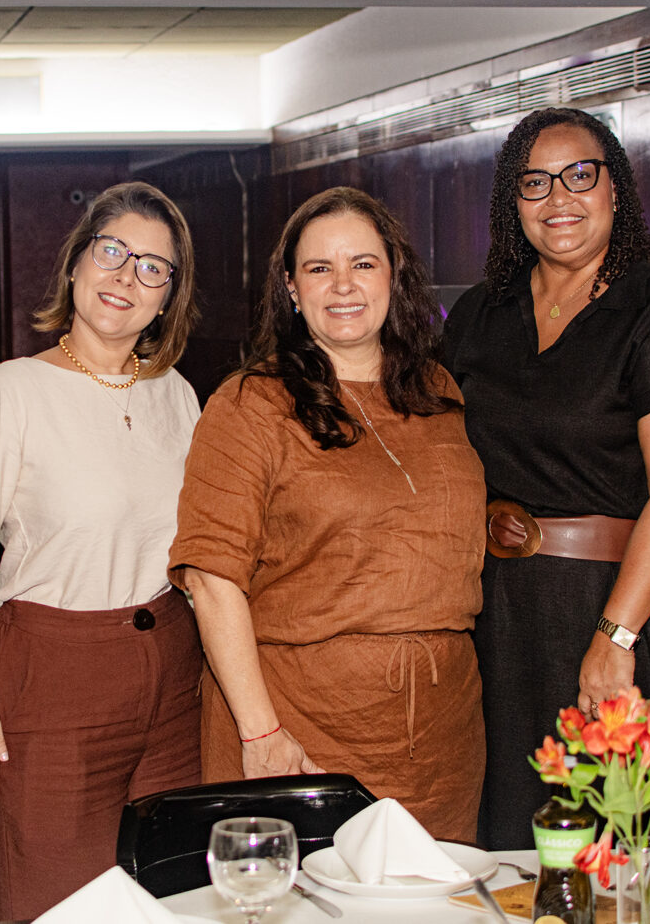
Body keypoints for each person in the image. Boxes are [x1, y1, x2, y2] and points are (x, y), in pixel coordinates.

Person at [441, 107, 650, 849]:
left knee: (611, 849)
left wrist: (614, 635)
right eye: (534, 182)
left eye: (579, 175)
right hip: (493, 612)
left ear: (614, 190)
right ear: (513, 202)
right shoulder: (480, 312)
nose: (558, 198)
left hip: (606, 607)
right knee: (504, 839)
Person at [169, 186, 487, 842]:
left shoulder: (439, 392)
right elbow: (211, 577)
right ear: (292, 288)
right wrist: (261, 734)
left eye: (363, 264)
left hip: (443, 735)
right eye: (319, 268)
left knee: (437, 893)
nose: (343, 285)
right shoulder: (251, 405)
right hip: (301, 726)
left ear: (394, 276)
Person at [0, 181, 203, 920]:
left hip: (173, 673)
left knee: (174, 895)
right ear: (76, 262)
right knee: (52, 901)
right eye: (112, 251)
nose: (126, 277)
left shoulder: (178, 396)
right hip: (51, 677)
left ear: (167, 298)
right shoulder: (10, 391)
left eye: (152, 267)